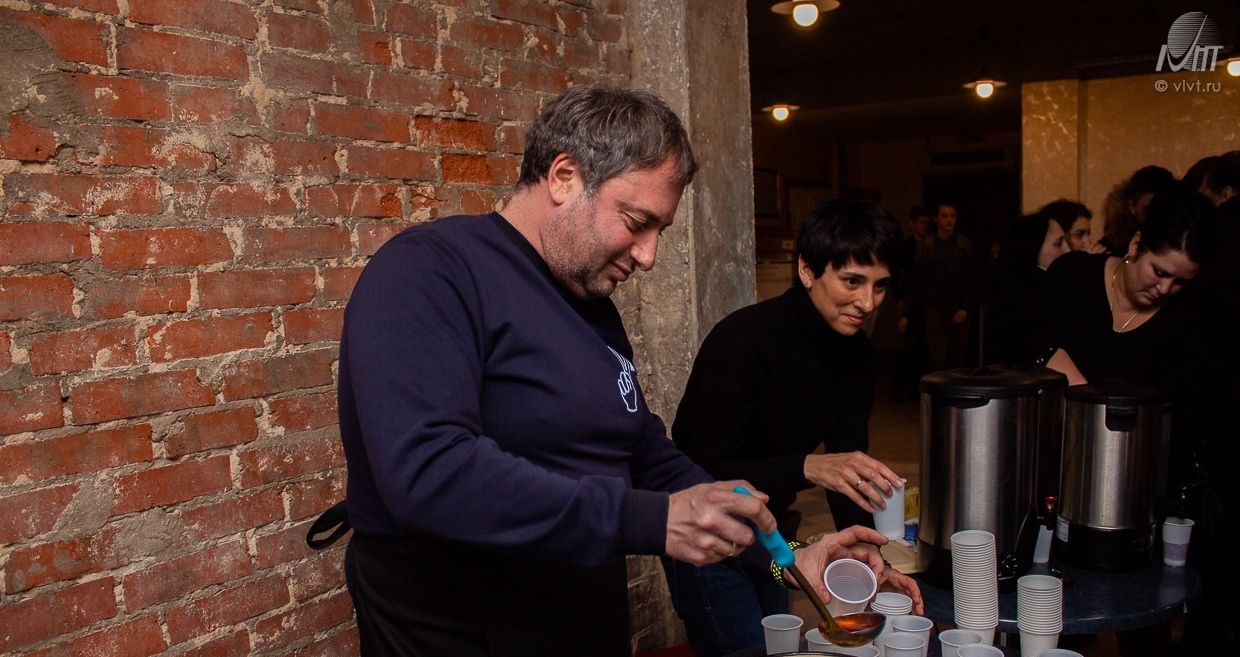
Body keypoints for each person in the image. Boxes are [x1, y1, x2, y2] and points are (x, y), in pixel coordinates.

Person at [334, 85, 895, 657]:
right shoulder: (430, 270)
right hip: (459, 626)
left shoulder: (589, 303)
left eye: (660, 232)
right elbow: (428, 471)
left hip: (575, 622)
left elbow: (645, 455)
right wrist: (653, 520)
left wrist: (786, 559)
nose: (648, 255)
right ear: (564, 177)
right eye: (635, 221)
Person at [663, 199, 925, 657]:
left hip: (773, 534)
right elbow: (700, 469)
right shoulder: (742, 341)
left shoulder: (857, 356)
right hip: (708, 532)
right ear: (807, 269)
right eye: (852, 281)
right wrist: (806, 466)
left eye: (880, 285)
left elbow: (848, 473)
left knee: (779, 646)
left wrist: (870, 553)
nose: (867, 303)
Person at [1034, 185, 1217, 657]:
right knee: (1049, 613)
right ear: (1136, 244)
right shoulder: (1074, 276)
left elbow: (1183, 413)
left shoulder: (1186, 321)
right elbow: (1026, 339)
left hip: (1136, 493)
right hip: (1054, 471)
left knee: (1141, 616)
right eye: (1159, 272)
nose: (1165, 289)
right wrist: (1054, 362)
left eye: (1180, 282)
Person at [902, 201, 980, 371]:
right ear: (936, 219)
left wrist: (965, 307)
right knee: (936, 355)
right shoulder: (926, 245)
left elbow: (973, 279)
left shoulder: (964, 244)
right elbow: (915, 280)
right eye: (944, 216)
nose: (949, 220)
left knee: (957, 356)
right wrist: (906, 312)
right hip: (933, 307)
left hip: (957, 306)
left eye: (952, 216)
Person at [984, 212, 1069, 365]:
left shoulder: (1047, 285)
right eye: (1058, 244)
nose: (1067, 250)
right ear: (1033, 249)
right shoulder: (1027, 294)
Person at [890, 206, 933, 401]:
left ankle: (917, 390)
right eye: (921, 222)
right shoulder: (906, 247)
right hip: (909, 301)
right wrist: (900, 300)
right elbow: (897, 275)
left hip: (926, 301)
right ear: (912, 224)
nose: (925, 226)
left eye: (927, 223)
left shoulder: (932, 245)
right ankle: (901, 390)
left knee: (924, 346)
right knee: (908, 344)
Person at [1099, 165, 1175, 257]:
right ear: (1132, 206)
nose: (1157, 215)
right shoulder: (1110, 249)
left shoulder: (1180, 244)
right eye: (1149, 209)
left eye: (1163, 208)